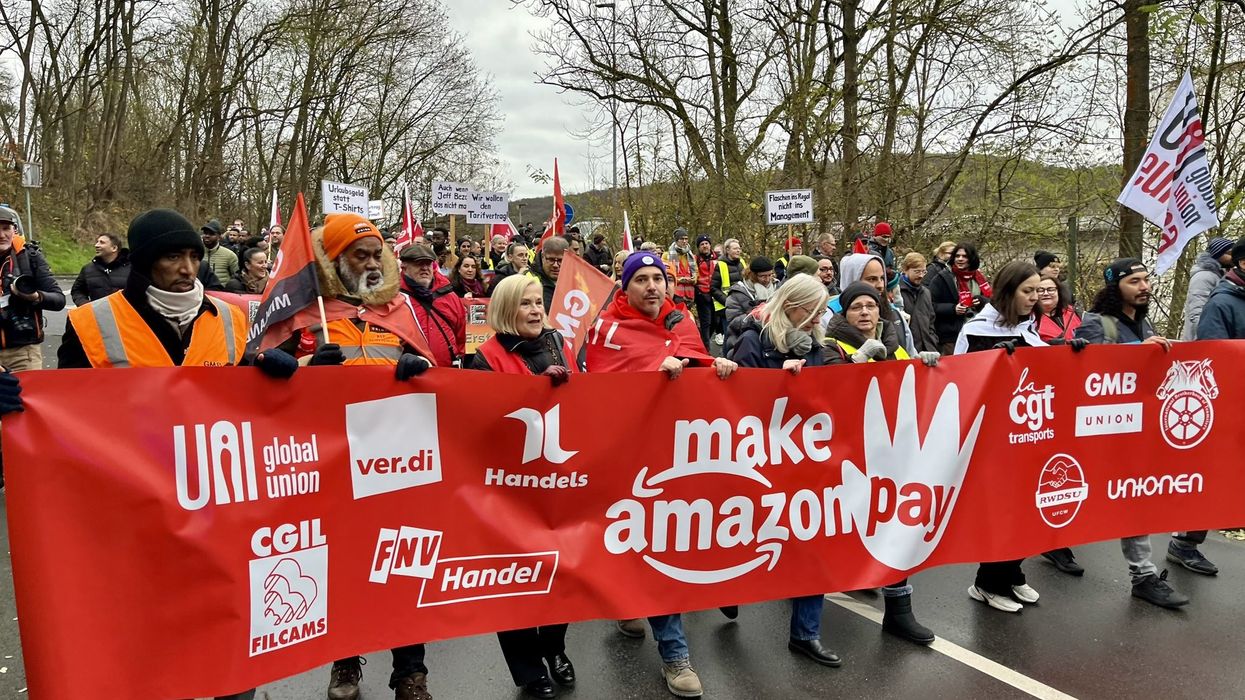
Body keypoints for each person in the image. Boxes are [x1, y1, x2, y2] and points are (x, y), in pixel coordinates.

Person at [53, 211, 296, 700]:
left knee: (231, 640)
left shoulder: (231, 318)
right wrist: (21, 407)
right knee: (157, 647)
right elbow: (62, 412)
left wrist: (278, 373)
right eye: (172, 256)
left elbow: (244, 401)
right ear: (144, 262)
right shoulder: (92, 323)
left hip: (218, 514)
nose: (187, 267)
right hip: (135, 515)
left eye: (193, 255)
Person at [273, 212, 435, 700]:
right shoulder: (301, 315)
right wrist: (301, 367)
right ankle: (345, 661)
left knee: (403, 567)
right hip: (332, 467)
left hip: (397, 463)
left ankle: (411, 671)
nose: (369, 263)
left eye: (374, 255)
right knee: (343, 568)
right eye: (357, 255)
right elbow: (257, 384)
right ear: (333, 259)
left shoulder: (400, 309)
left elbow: (440, 377)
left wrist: (419, 365)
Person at [586, 252, 737, 698]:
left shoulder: (681, 321)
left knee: (666, 544)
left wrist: (715, 366)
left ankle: (659, 634)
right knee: (642, 543)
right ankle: (673, 653)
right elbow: (602, 385)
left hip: (678, 456)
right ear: (625, 287)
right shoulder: (606, 329)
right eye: (642, 280)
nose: (653, 287)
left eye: (659, 279)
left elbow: (695, 361)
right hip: (628, 456)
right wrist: (652, 374)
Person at [725, 274, 848, 663]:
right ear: (792, 307)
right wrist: (778, 379)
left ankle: (805, 634)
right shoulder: (752, 341)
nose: (818, 319)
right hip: (758, 464)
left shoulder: (814, 345)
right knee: (745, 542)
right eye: (812, 311)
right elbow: (736, 406)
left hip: (801, 461)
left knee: (812, 546)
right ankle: (726, 589)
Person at [471, 276, 577, 699]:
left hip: (559, 481)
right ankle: (529, 669)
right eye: (525, 304)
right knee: (512, 582)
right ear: (505, 310)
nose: (536, 311)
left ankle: (554, 648)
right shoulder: (486, 357)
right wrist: (532, 395)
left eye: (539, 303)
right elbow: (480, 424)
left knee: (563, 574)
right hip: (508, 488)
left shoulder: (559, 343)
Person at [1073, 258, 1192, 608]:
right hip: (1101, 433)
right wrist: (1136, 354)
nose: (1144, 287)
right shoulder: (1097, 323)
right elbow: (1083, 370)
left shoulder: (1146, 323)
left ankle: (1143, 575)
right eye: (1134, 281)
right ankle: (1035, 553)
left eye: (1146, 280)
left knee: (1134, 499)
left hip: (1136, 432)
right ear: (1116, 288)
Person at [954, 260, 1053, 612]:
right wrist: (994, 359)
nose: (1035, 298)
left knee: (1030, 508)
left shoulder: (1031, 326)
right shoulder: (978, 329)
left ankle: (1012, 573)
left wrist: (1072, 355)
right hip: (993, 441)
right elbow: (961, 381)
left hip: (1030, 433)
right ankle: (987, 582)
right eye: (1027, 291)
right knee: (1002, 512)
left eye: (1038, 291)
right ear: (1008, 291)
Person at [0, 205, 65, 371]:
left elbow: (58, 300)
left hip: (23, 354)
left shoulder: (30, 258)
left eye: (6, 228)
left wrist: (35, 297)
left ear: (14, 230)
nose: (2, 235)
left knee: (26, 397)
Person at [399, 244, 465, 368]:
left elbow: (460, 335)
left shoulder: (449, 295)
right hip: (411, 377)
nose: (425, 268)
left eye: (428, 264)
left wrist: (459, 357)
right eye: (418, 264)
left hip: (448, 373)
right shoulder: (394, 298)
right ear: (404, 267)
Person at [927, 242, 989, 354]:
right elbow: (930, 305)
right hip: (951, 337)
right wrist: (953, 309)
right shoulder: (942, 278)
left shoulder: (979, 278)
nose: (960, 259)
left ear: (971, 258)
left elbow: (991, 303)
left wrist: (981, 301)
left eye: (964, 256)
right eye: (957, 256)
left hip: (976, 333)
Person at [1181, 236, 1234, 340]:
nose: (1233, 257)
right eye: (1229, 253)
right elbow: (1196, 313)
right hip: (1201, 343)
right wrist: (1208, 338)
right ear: (1218, 254)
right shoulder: (1203, 277)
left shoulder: (1220, 275)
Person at [722, 256, 777, 354]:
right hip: (743, 342)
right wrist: (754, 315)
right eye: (763, 276)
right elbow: (733, 322)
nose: (767, 279)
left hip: (773, 342)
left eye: (770, 275)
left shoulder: (777, 286)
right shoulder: (737, 293)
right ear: (753, 275)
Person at [71, 232, 131, 305]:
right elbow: (77, 290)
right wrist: (85, 305)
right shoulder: (88, 269)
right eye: (97, 242)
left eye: (102, 243)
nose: (96, 245)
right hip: (98, 315)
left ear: (114, 248)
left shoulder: (132, 269)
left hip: (124, 315)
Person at [710, 238, 745, 346]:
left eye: (739, 248)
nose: (738, 251)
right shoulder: (720, 265)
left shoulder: (742, 263)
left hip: (742, 306)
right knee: (729, 337)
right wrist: (728, 301)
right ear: (727, 250)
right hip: (726, 308)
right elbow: (713, 288)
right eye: (735, 248)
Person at [1034, 276, 1081, 343]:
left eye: (1051, 289)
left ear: (1058, 292)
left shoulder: (1075, 312)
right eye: (1040, 290)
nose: (1046, 293)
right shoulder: (1029, 319)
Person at [529, 236, 569, 312]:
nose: (555, 265)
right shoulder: (528, 281)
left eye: (560, 260)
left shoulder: (576, 280)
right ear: (542, 256)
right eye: (551, 259)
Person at [663, 228, 697, 306]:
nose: (684, 241)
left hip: (690, 294)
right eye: (682, 239)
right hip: (675, 294)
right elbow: (665, 275)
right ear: (676, 240)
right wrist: (679, 280)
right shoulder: (667, 255)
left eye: (686, 239)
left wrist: (694, 278)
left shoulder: (691, 255)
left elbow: (696, 272)